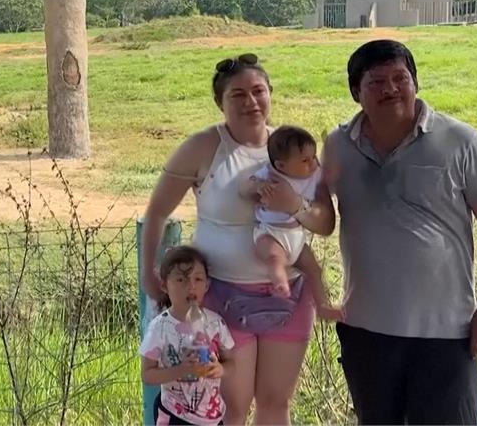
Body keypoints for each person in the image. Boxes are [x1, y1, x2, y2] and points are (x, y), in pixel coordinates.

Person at [323, 39, 477, 425]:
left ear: (416, 83)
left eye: (401, 78)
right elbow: (314, 214)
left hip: (447, 333)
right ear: (355, 92)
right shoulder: (338, 145)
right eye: (376, 82)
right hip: (366, 331)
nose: (391, 89)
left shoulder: (460, 141)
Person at [141, 53, 337, 425]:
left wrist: (293, 204)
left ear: (270, 94)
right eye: (238, 95)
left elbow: (325, 223)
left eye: (258, 91)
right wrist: (149, 273)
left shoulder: (296, 149)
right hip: (223, 299)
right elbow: (157, 212)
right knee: (232, 405)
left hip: (290, 295)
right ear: (221, 102)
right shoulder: (203, 147)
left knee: (276, 401)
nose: (251, 102)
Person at [239, 125, 343, 321]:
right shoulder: (269, 175)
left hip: (296, 236)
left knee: (314, 267)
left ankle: (323, 307)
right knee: (274, 257)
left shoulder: (313, 174)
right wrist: (258, 187)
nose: (313, 164)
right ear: (281, 165)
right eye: (305, 160)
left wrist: (334, 169)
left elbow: (330, 178)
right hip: (270, 233)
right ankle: (280, 281)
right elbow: (244, 189)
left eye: (313, 157)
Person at [140, 245, 235, 425]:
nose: (191, 286)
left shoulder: (215, 323)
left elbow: (231, 362)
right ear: (164, 285)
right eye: (181, 279)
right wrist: (181, 369)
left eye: (198, 279)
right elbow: (147, 375)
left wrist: (221, 369)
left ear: (207, 285)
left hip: (213, 417)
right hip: (175, 415)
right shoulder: (159, 328)